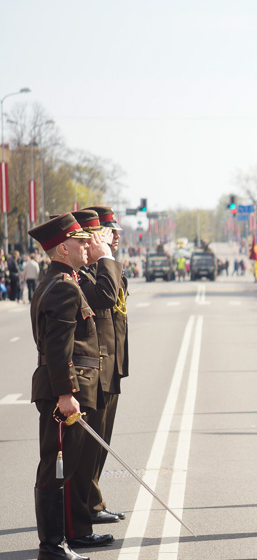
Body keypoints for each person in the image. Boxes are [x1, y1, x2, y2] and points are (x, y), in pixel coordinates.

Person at [28, 213, 107, 560]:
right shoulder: (63, 285)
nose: (87, 245)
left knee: (60, 467)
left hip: (64, 388)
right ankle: (52, 547)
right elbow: (59, 347)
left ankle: (55, 545)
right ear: (64, 247)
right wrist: (65, 394)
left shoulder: (59, 281)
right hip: (63, 392)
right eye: (80, 241)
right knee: (56, 470)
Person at [80, 206, 130, 523]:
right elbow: (107, 297)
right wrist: (105, 259)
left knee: (100, 446)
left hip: (111, 367)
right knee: (87, 448)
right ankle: (85, 508)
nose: (115, 239)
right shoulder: (84, 275)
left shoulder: (105, 268)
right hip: (94, 372)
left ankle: (92, 501)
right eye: (110, 233)